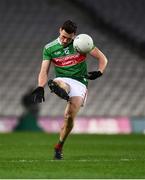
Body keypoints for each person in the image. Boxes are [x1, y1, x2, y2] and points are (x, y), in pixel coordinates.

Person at [31, 20, 108, 160]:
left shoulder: (81, 42)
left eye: (68, 37)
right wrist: (40, 87)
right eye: (63, 36)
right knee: (58, 83)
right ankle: (59, 89)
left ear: (74, 35)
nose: (65, 40)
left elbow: (103, 58)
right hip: (63, 79)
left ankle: (59, 145)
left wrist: (100, 71)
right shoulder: (49, 48)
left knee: (69, 117)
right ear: (60, 30)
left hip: (80, 82)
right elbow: (44, 70)